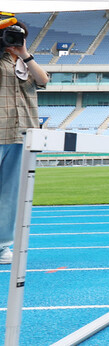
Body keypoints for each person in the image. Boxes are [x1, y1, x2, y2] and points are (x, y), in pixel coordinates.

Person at [0, 20, 49, 265]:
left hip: (21, 134)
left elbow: (43, 81)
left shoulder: (25, 62)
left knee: (10, 194)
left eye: (19, 36)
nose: (14, 39)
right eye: (9, 35)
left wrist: (24, 54)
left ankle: (2, 247)